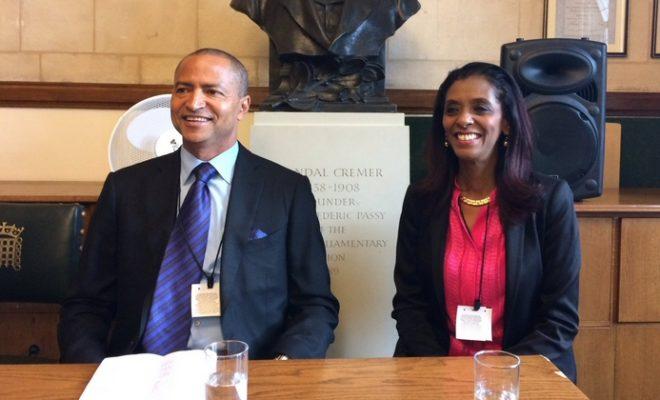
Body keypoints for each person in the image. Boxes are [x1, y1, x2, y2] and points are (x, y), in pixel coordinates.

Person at [58, 48, 339, 362]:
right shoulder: (125, 188)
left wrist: (284, 367)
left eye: (212, 91)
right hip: (139, 371)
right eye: (182, 89)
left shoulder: (285, 191)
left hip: (246, 371)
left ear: (242, 106)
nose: (193, 103)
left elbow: (315, 304)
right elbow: (86, 303)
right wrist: (91, 371)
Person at [391, 62, 581, 381]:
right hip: (437, 372)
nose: (463, 119)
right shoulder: (421, 200)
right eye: (452, 110)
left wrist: (495, 376)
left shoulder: (549, 200)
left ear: (506, 122)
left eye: (480, 108)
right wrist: (447, 376)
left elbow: (559, 319)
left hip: (523, 375)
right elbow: (409, 304)